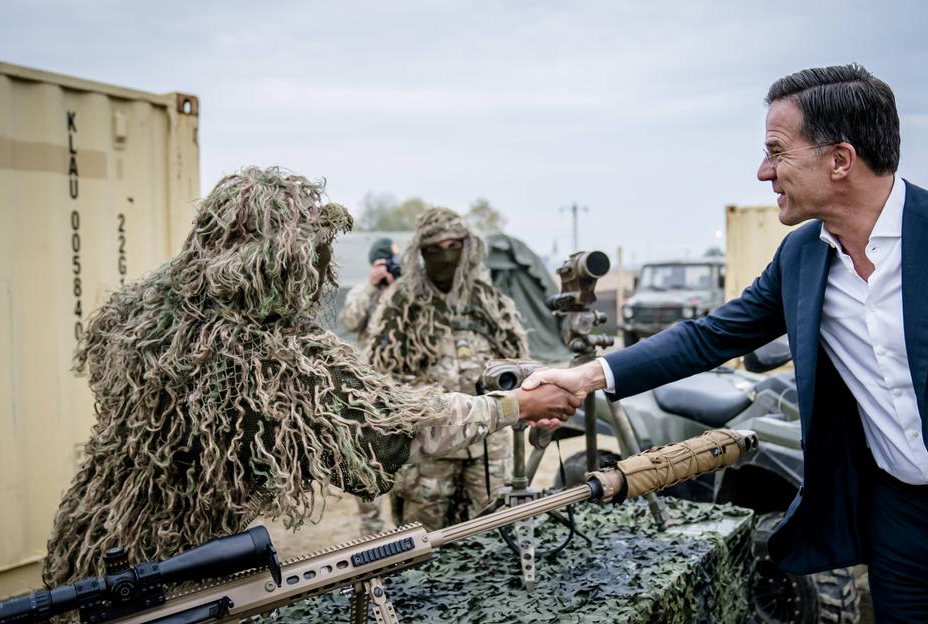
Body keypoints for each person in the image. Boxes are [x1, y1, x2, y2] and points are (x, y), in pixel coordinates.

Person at [524, 65, 928, 618]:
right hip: (904, 530)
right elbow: (711, 334)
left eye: (776, 150)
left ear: (840, 160)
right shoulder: (801, 257)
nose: (763, 172)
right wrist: (585, 376)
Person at [41, 168, 579, 586]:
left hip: (94, 538)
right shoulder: (250, 353)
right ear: (279, 260)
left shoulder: (147, 310)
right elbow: (398, 425)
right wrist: (515, 408)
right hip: (172, 565)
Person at [364, 207, 526, 530]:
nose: (446, 256)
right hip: (429, 450)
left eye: (454, 246)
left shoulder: (488, 301)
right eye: (434, 250)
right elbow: (378, 379)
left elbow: (519, 362)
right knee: (423, 545)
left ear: (468, 247)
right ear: (420, 254)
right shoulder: (401, 304)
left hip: (488, 451)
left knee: (493, 538)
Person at [337, 237, 402, 535]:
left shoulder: (407, 291)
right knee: (368, 471)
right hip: (371, 397)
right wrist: (373, 286)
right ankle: (372, 538)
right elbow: (349, 322)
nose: (390, 268)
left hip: (407, 392)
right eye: (384, 263)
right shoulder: (363, 292)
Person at [337, 237, 399, 334]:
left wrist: (394, 288)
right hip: (370, 347)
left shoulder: (405, 286)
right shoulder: (360, 291)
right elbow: (350, 324)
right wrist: (371, 288)